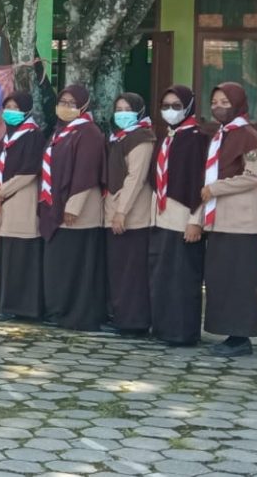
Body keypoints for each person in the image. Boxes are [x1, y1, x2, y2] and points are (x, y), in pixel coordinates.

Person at [196, 82, 257, 357]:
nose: (218, 107)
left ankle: (240, 338)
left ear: (238, 104)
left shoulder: (247, 135)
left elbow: (255, 176)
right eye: (214, 102)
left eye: (225, 102)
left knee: (239, 279)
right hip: (221, 219)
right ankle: (230, 334)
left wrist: (216, 188)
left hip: (241, 221)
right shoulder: (222, 135)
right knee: (222, 278)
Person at [37, 84, 108, 331]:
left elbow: (86, 172)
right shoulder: (60, 132)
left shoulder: (89, 132)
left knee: (76, 266)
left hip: (78, 213)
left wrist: (73, 206)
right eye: (63, 102)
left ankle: (76, 315)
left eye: (72, 103)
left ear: (84, 106)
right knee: (59, 265)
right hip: (56, 208)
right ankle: (58, 310)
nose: (66, 107)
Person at [148, 84, 210, 347]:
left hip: (184, 218)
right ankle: (163, 328)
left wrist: (196, 221)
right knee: (162, 276)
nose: (170, 111)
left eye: (176, 106)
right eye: (165, 106)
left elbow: (203, 183)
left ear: (189, 107)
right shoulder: (167, 136)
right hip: (161, 217)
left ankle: (182, 332)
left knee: (183, 278)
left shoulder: (198, 138)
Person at [0, 91, 47, 322]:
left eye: (15, 107)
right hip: (1, 205)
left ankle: (20, 307)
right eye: (8, 107)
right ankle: (1, 304)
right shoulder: (6, 137)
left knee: (20, 257)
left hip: (21, 202)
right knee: (4, 257)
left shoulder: (33, 136)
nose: (10, 111)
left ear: (26, 110)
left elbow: (30, 172)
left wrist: (1, 191)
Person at [103, 92, 156, 336]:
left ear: (140, 112)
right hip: (115, 212)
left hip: (133, 217)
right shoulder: (119, 137)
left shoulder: (142, 138)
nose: (123, 114)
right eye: (119, 109)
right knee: (118, 269)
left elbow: (136, 178)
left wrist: (121, 212)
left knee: (132, 272)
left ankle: (134, 322)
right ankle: (121, 316)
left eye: (128, 110)